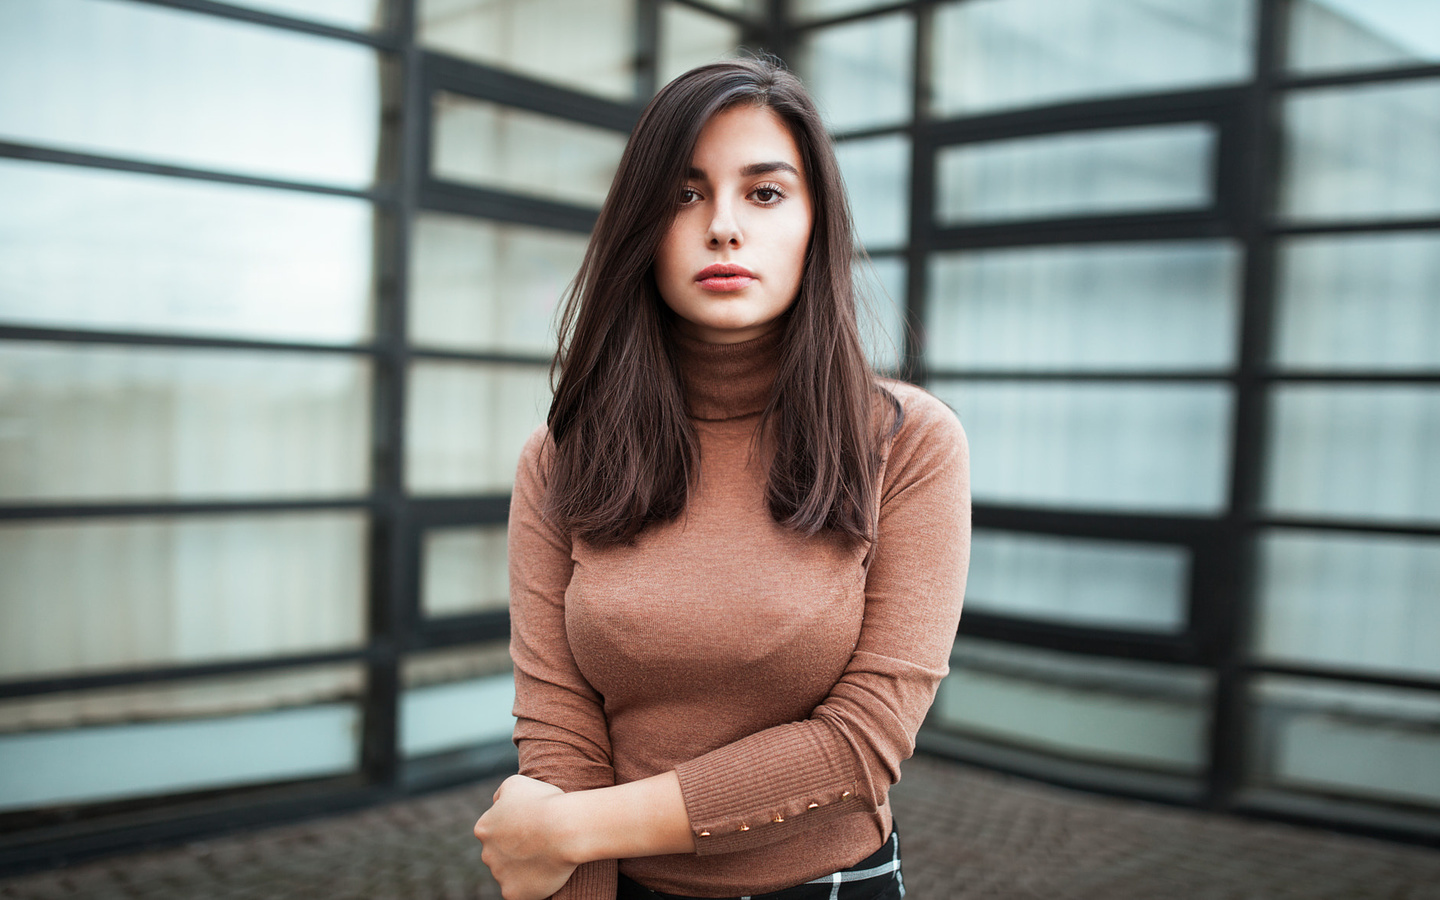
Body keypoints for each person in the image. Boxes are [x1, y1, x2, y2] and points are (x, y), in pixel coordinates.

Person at [473, 57, 970, 900]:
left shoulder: (908, 442)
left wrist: (575, 829)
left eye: (766, 192)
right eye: (684, 193)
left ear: (817, 223)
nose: (724, 227)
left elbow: (863, 743)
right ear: (641, 225)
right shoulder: (562, 456)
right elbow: (559, 730)